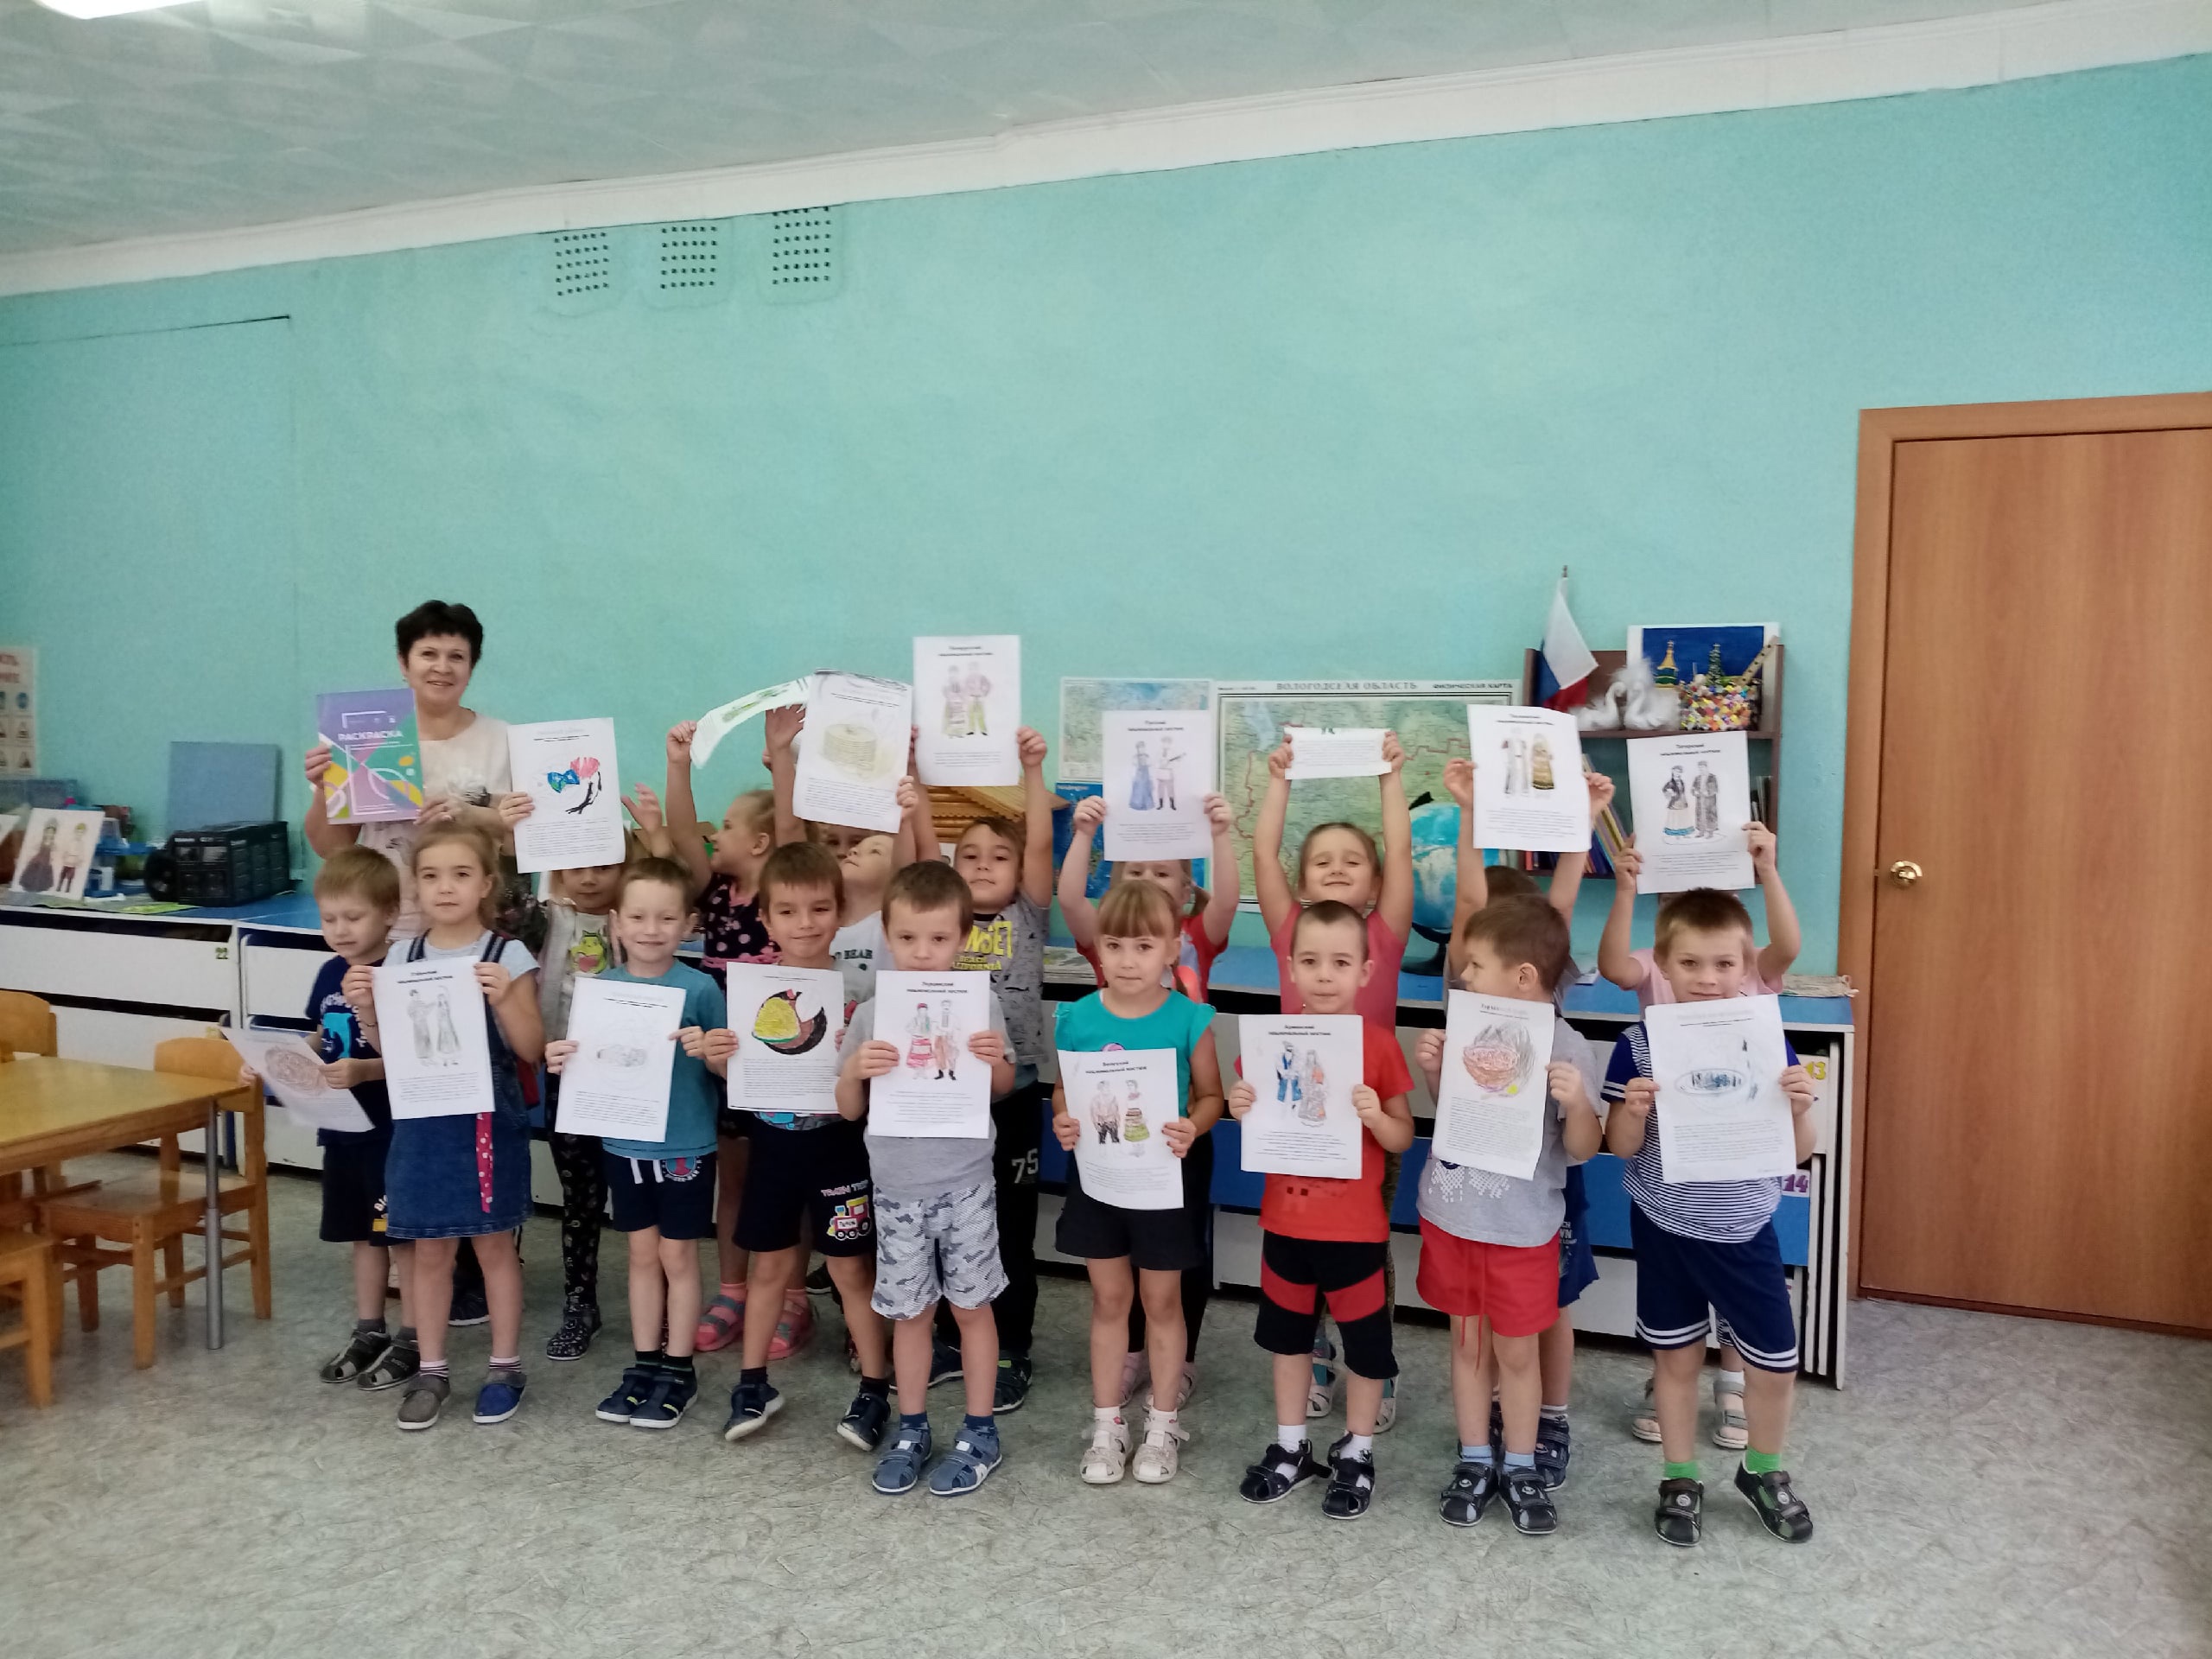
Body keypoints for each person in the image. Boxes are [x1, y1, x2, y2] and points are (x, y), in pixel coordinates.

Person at [1604, 884, 1819, 1547]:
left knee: (1774, 1364)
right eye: (1690, 963)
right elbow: (1620, 1147)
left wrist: (1800, 1107)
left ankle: (1763, 1469)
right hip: (1665, 1226)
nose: (1707, 978)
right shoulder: (1639, 1045)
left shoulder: (1767, 1040)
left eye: (1724, 964)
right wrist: (1632, 1111)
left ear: (1746, 967)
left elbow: (1798, 1151)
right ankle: (1679, 1475)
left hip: (1745, 1228)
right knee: (1675, 1360)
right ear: (1663, 967)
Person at [1443, 756, 1615, 1486]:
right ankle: (1494, 1420)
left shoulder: (1551, 1010)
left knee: (1550, 1304)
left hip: (1545, 1180)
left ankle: (1551, 1416)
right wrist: (1469, 812)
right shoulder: (1468, 998)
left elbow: (1561, 906)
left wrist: (1585, 817)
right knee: (1491, 1324)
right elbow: (1468, 902)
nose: (1468, 965)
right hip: (1482, 1187)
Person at [1413, 897, 1602, 1535]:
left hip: (1521, 1231)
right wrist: (1436, 1072)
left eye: (1474, 965)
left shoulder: (1568, 1046)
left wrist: (1579, 1106)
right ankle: (1474, 1457)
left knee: (1518, 1354)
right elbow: (1452, 1111)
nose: (1462, 977)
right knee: (1468, 1346)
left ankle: (1520, 1464)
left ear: (1522, 976)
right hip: (1454, 1216)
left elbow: (1583, 1150)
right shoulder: (1467, 1026)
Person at [349, 824, 543, 1432]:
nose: (445, 887)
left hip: (487, 1123)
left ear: (486, 883)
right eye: (431, 876)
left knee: (493, 1246)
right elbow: (394, 1052)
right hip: (422, 1124)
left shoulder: (507, 955)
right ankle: (431, 1369)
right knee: (427, 1249)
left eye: (461, 874)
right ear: (415, 886)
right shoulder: (401, 958)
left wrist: (505, 999)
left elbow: (532, 1049)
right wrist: (367, 1010)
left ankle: (505, 1367)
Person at [836, 860, 1017, 1497]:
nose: (921, 951)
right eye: (907, 938)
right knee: (910, 1313)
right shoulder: (871, 1015)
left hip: (965, 1183)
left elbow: (1001, 1087)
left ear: (962, 939)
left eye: (938, 938)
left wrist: (995, 1062)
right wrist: (854, 1071)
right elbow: (847, 1109)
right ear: (887, 934)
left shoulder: (981, 1004)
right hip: (896, 1189)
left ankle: (980, 1430)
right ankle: (912, 1426)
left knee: (971, 1307)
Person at [1228, 901, 1414, 1520]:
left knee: (1365, 1347)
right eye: (1310, 961)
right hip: (1285, 1225)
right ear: (1291, 968)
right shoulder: (1269, 1043)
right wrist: (1239, 1103)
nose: (1325, 975)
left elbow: (1402, 1136)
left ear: (1365, 971)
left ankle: (1357, 1451)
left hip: (1354, 1232)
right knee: (1289, 1344)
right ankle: (1291, 1446)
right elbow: (1252, 1117)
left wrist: (1377, 1116)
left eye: (1340, 962)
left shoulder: (1378, 1046)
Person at [1254, 731, 1414, 1427]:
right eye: (1322, 861)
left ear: (1374, 883)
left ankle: (1372, 1363)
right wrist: (1280, 781)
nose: (1339, 869)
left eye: (1354, 861)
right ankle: (1313, 1353)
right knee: (1299, 1249)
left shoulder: (1384, 935)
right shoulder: (1291, 930)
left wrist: (1389, 777)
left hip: (1368, 1123)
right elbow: (1263, 854)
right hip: (1297, 1123)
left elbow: (1401, 852)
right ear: (1301, 884)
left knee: (1364, 1252)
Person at [544, 858, 731, 1432]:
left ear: (689, 924)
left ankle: (680, 1368)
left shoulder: (701, 987)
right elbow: (587, 1060)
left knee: (679, 1257)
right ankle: (645, 1363)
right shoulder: (600, 991)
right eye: (639, 917)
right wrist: (559, 1058)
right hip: (623, 1146)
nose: (652, 929)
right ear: (617, 923)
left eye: (667, 918)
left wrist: (711, 1052)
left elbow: (730, 1070)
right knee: (642, 1257)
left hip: (685, 1146)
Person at [721, 841, 893, 1450]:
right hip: (773, 1144)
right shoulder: (749, 993)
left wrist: (862, 1061)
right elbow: (736, 1071)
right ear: (766, 918)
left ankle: (875, 1387)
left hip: (839, 1145)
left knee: (850, 1268)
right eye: (788, 911)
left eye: (820, 909)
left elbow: (871, 1087)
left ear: (840, 912)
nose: (805, 923)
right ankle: (752, 1383)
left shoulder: (860, 996)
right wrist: (719, 1056)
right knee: (770, 1265)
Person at [1052, 881, 1224, 1487]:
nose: (1128, 960)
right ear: (1098, 948)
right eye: (1115, 945)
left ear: (1173, 949)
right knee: (1108, 1301)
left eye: (1144, 946)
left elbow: (1212, 1096)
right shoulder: (1075, 1017)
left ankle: (1162, 1424)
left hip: (1164, 1181)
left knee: (1162, 1302)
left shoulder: (1190, 1019)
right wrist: (1063, 1118)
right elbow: (1064, 1089)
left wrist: (1193, 1126)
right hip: (1099, 1180)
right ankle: (1107, 1426)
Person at [239, 847, 416, 1390]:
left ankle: (413, 1336)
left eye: (353, 917)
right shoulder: (329, 972)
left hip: (391, 1132)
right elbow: (322, 1035)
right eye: (330, 918)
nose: (339, 929)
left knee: (401, 1238)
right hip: (341, 1129)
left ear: (390, 913)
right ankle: (369, 1329)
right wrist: (271, 1062)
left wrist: (364, 1071)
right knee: (362, 1235)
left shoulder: (404, 972)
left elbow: (415, 1059)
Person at [925, 726, 1056, 1414]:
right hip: (948, 1097)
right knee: (950, 1222)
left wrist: (1032, 769)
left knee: (1009, 1226)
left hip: (1016, 1095)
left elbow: (1039, 843)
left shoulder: (1028, 912)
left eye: (998, 856)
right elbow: (924, 852)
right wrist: (914, 774)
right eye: (968, 856)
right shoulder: (941, 914)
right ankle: (953, 1338)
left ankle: (1012, 1347)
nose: (981, 866)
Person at [662, 715, 788, 1358]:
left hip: (779, 1061)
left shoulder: (783, 892)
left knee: (785, 1183)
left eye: (731, 826)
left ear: (761, 842)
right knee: (734, 1180)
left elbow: (794, 829)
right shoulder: (714, 892)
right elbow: (685, 831)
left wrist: (783, 761)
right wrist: (678, 766)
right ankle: (734, 1289)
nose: (718, 833)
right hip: (721, 1061)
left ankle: (789, 1296)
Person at [302, 601, 532, 938]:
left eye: (457, 657)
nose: (442, 667)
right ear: (403, 663)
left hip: (480, 930)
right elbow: (332, 849)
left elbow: (528, 841)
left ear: (471, 666)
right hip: (389, 926)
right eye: (428, 654)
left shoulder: (504, 739)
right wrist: (326, 790)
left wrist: (472, 815)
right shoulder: (367, 737)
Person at [535, 843, 638, 1364]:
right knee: (580, 1200)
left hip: (634, 1082)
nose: (590, 877)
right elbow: (496, 899)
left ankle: (660, 1303)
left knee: (642, 1199)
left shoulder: (640, 921)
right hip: (569, 1078)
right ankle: (580, 1303)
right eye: (576, 865)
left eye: (604, 865)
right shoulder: (544, 921)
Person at [1057, 791, 1240, 1002]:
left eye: (1162, 874)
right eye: (1136, 872)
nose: (1147, 879)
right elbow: (1071, 902)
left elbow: (1226, 903)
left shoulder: (1196, 935)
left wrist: (1220, 835)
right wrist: (1084, 834)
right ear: (1119, 885)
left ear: (1184, 893)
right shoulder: (1107, 929)